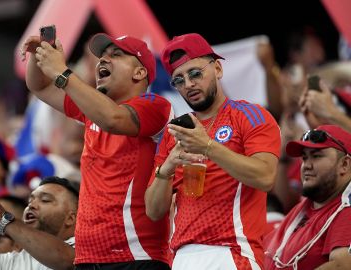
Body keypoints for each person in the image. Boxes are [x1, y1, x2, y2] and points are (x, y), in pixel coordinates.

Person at [21, 32, 173, 269]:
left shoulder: (156, 105)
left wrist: (62, 72)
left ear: (139, 72)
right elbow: (40, 87)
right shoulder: (91, 111)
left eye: (116, 55)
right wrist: (39, 56)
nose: (103, 60)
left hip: (136, 256)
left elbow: (113, 119)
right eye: (101, 56)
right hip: (88, 258)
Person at [145, 33, 281, 269]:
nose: (188, 84)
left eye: (195, 73)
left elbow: (265, 177)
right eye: (179, 80)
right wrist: (166, 169)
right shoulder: (174, 132)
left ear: (217, 69)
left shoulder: (249, 115)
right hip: (180, 257)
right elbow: (154, 211)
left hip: (232, 250)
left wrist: (207, 146)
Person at [264, 125, 351, 269]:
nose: (306, 165)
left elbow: (341, 266)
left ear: (344, 164)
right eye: (304, 158)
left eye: (316, 156)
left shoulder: (346, 209)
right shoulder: (305, 207)